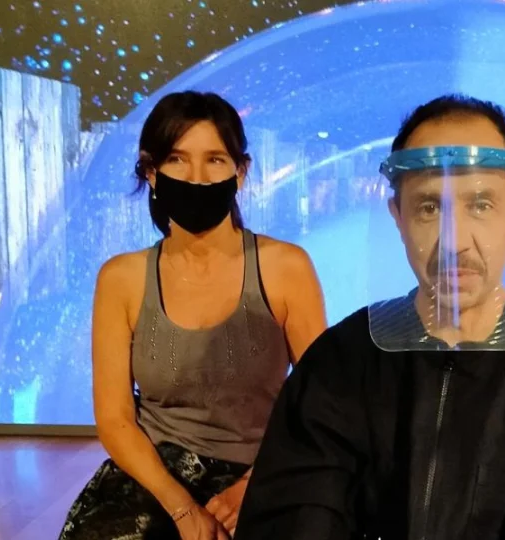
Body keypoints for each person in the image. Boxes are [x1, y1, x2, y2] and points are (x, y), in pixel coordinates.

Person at [234, 94, 505, 539]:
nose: (454, 241)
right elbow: (296, 519)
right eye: (429, 207)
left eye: (481, 204)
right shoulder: (341, 362)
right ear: (398, 216)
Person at [58, 91, 328, 540]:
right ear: (152, 173)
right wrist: (182, 509)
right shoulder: (121, 278)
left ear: (241, 172)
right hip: (156, 477)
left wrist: (256, 484)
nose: (197, 178)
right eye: (177, 160)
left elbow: (321, 399)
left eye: (215, 160)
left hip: (265, 469)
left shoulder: (286, 267)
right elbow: (115, 419)